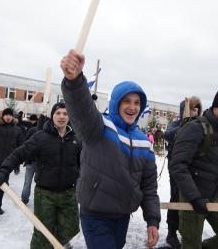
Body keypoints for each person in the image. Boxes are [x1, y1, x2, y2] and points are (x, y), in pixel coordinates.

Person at [59, 49, 160, 249]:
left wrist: (152, 220)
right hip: (95, 215)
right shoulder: (100, 127)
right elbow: (81, 108)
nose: (132, 107)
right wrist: (74, 81)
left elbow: (148, 186)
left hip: (122, 216)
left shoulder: (143, 141)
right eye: (127, 101)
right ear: (116, 103)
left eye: (137, 103)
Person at [0, 103, 81, 248]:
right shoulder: (41, 137)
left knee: (71, 228)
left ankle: (57, 243)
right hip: (45, 194)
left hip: (68, 192)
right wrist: (3, 170)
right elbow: (19, 153)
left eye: (65, 113)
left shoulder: (76, 139)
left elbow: (85, 163)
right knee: (42, 233)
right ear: (52, 116)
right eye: (58, 113)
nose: (62, 116)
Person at [169, 89, 218, 249]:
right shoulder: (195, 128)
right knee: (191, 244)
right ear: (216, 106)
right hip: (192, 197)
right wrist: (194, 198)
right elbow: (177, 165)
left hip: (214, 195)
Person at [163, 97, 202, 249]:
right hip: (177, 168)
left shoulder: (201, 124)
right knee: (176, 199)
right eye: (193, 108)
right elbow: (168, 134)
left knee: (191, 199)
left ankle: (186, 231)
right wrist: (186, 125)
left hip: (195, 170)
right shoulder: (177, 124)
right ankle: (171, 232)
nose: (196, 111)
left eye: (197, 108)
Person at [20, 114, 39, 205]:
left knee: (27, 181)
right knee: (39, 183)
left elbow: (25, 144)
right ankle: (37, 199)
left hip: (32, 160)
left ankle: (24, 198)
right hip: (38, 161)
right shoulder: (45, 132)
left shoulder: (31, 130)